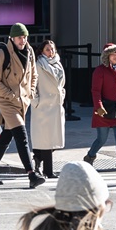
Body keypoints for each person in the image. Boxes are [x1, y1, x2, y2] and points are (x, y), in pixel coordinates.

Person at [0, 24, 45, 188]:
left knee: (7, 136)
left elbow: (34, 74)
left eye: (25, 37)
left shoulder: (30, 51)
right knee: (21, 135)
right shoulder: (1, 53)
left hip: (22, 101)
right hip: (7, 101)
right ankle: (32, 174)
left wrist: (31, 91)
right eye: (19, 37)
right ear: (12, 38)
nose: (23, 40)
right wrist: (9, 94)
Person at [85, 44, 116, 173]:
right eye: (113, 54)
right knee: (102, 139)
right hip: (104, 110)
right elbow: (95, 91)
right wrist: (98, 106)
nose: (115, 56)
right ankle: (89, 158)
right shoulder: (99, 71)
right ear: (107, 56)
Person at [31, 39, 68, 179]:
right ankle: (48, 170)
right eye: (47, 49)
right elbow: (32, 84)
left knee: (53, 140)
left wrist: (62, 95)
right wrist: (36, 101)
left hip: (56, 105)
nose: (51, 52)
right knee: (46, 140)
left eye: (52, 49)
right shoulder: (38, 64)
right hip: (43, 106)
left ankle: (38, 158)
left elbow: (61, 84)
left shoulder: (57, 63)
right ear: (42, 51)